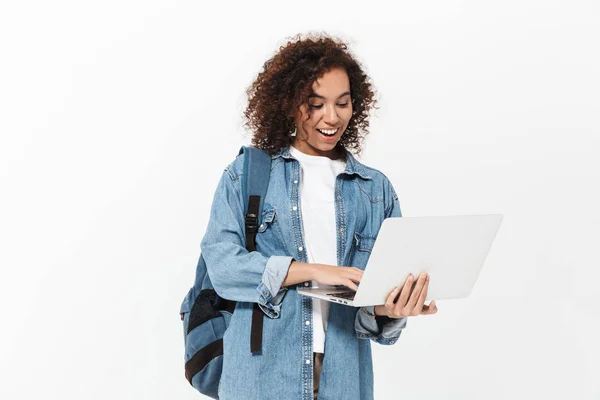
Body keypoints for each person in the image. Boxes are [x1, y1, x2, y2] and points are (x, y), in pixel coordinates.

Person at [200, 33, 438, 400]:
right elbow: (224, 267)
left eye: (342, 103)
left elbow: (371, 313)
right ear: (290, 103)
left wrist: (392, 309)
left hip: (343, 379)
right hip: (262, 377)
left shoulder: (374, 190)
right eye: (315, 104)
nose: (331, 117)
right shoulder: (246, 175)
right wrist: (314, 270)